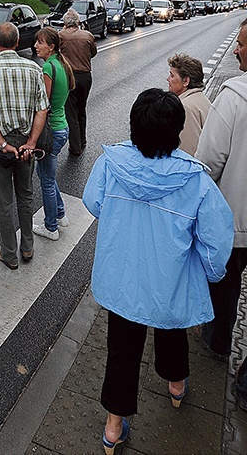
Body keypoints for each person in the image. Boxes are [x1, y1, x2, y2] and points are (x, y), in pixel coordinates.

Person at [83, 88, 233, 454]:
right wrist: (212, 275)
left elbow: (93, 202)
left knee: (121, 350)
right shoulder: (195, 180)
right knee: (172, 331)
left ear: (134, 126)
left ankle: (114, 427)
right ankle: (177, 386)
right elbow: (217, 241)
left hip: (121, 280)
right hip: (171, 279)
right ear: (177, 131)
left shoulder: (111, 163)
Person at [196, 18, 247, 394]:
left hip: (236, 219)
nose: (236, 50)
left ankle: (217, 342)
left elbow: (209, 160)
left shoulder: (233, 96)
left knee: (225, 285)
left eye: (242, 45)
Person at [0, 22, 49, 269]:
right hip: (26, 142)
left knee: (4, 199)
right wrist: (31, 142)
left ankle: (9, 253)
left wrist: (3, 142)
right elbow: (42, 109)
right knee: (26, 194)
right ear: (18, 43)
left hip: (2, 144)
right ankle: (27, 247)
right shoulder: (33, 69)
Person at [33, 27, 75, 240]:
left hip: (51, 131)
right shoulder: (61, 64)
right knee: (45, 175)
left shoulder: (48, 68)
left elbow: (44, 105)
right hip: (62, 127)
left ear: (51, 47)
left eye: (40, 43)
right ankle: (60, 214)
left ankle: (51, 228)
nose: (35, 46)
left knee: (46, 181)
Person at [60, 8, 97, 156]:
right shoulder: (88, 35)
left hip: (70, 76)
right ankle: (82, 140)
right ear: (78, 22)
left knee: (71, 112)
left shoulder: (60, 36)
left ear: (64, 23)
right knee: (82, 109)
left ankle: (75, 146)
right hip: (86, 77)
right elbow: (93, 53)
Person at [166, 53, 210, 156]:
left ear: (186, 81)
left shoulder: (185, 107)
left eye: (172, 75)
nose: (168, 79)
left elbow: (187, 151)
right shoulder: (201, 98)